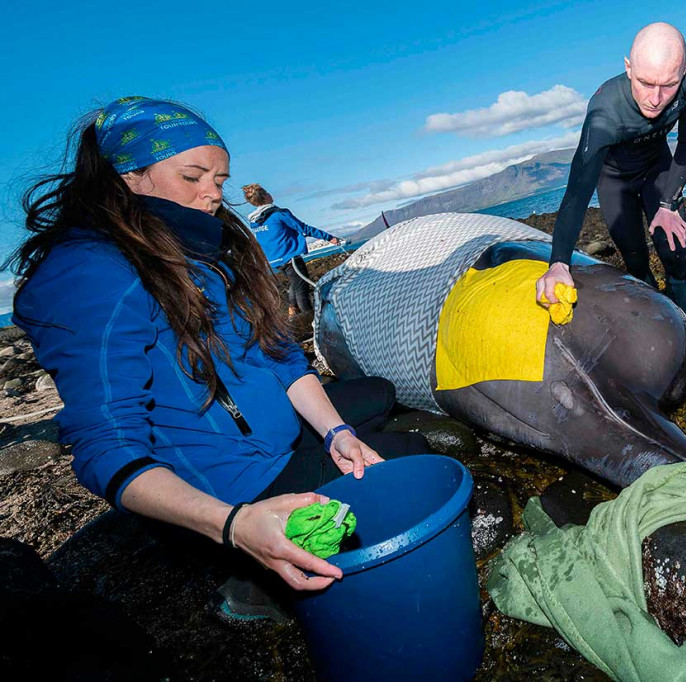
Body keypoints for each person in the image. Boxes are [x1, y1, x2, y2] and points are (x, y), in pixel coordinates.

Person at [10, 97, 429, 599]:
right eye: (193, 177)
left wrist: (335, 431)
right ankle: (238, 574)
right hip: (233, 483)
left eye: (220, 180)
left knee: (377, 395)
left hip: (270, 430)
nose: (213, 194)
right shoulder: (90, 274)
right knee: (415, 462)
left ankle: (318, 448)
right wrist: (234, 525)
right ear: (127, 177)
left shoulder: (203, 248)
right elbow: (106, 445)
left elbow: (279, 353)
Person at [536, 22, 686, 323]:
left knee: (676, 254)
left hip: (659, 170)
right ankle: (661, 325)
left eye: (668, 85)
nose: (655, 99)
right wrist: (559, 261)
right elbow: (577, 194)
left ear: (681, 74)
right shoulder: (604, 114)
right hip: (615, 184)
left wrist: (668, 203)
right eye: (644, 82)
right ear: (628, 68)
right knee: (637, 264)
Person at [242, 183, 339, 317]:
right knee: (301, 289)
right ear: (264, 197)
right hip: (290, 258)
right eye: (268, 192)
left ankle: (292, 309)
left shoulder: (255, 222)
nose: (271, 194)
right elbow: (304, 228)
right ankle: (311, 321)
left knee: (295, 283)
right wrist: (329, 237)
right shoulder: (280, 214)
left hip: (274, 261)